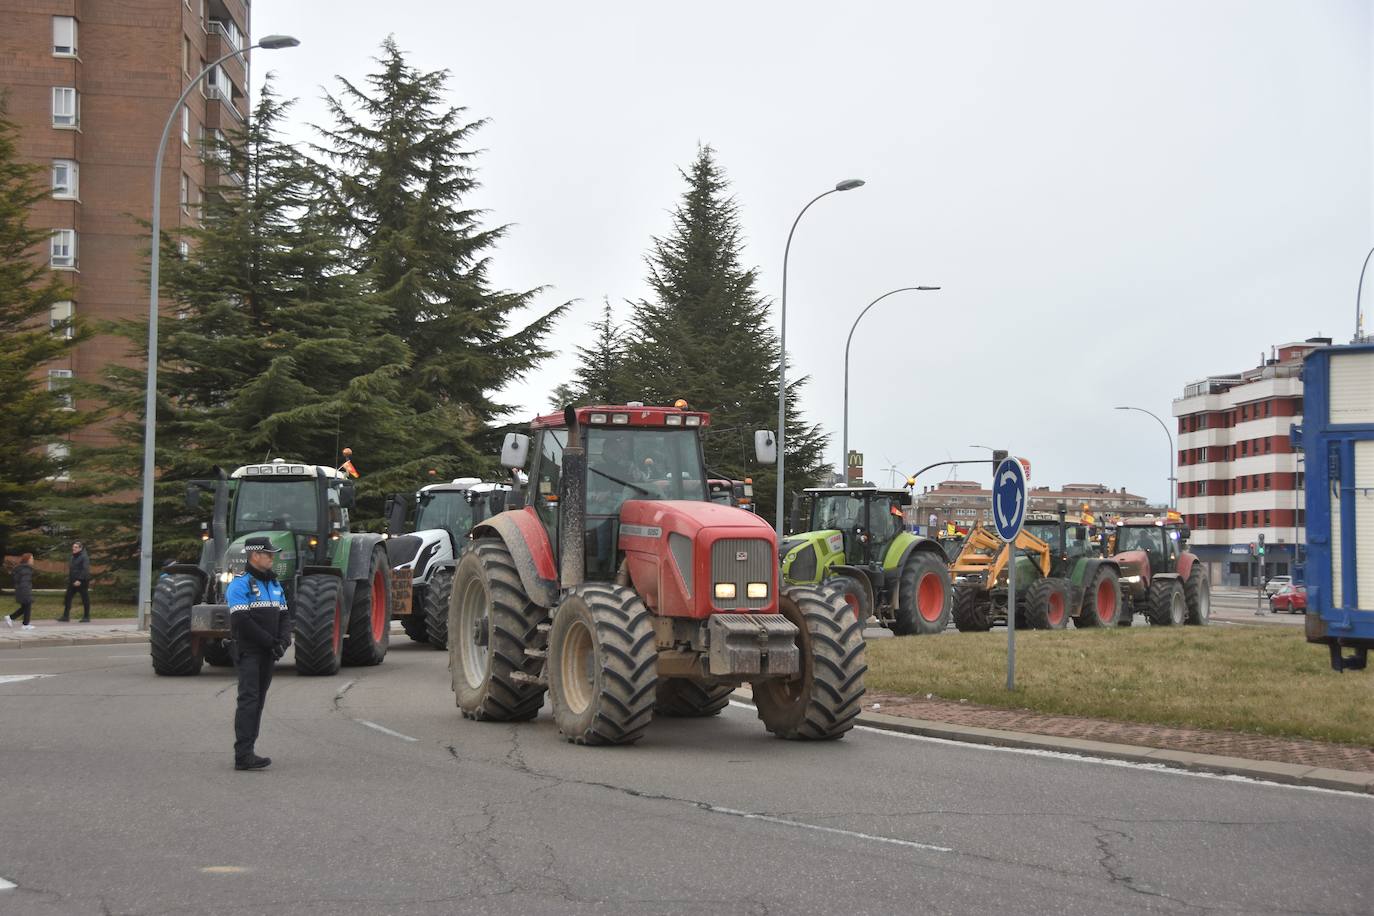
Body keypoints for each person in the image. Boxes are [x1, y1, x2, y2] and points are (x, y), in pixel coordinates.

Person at [226, 537, 291, 771]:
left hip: (268, 653)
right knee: (249, 701)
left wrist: (284, 640)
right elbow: (242, 621)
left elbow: (284, 615)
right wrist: (270, 642)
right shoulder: (239, 584)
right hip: (250, 652)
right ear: (254, 556)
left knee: (259, 701)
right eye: (268, 554)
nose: (272, 558)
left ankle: (250, 750)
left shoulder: (274, 584)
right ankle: (242, 755)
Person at [59, 540, 90, 623]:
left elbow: (85, 569)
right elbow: (72, 569)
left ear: (80, 548)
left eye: (76, 547)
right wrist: (70, 579)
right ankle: (65, 616)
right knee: (67, 597)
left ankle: (86, 617)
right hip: (72, 581)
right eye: (73, 547)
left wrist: (79, 580)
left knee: (85, 598)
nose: (74, 548)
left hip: (81, 581)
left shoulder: (84, 557)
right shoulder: (73, 557)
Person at [5, 554, 35, 630]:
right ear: (27, 560)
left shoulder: (20, 568)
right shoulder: (26, 569)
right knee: (27, 606)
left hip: (20, 590)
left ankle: (10, 618)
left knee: (24, 607)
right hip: (24, 590)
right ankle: (25, 624)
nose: (33, 560)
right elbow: (24, 582)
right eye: (31, 558)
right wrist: (27, 591)